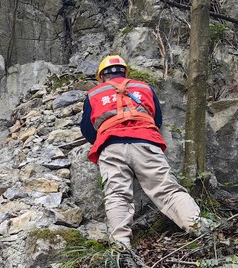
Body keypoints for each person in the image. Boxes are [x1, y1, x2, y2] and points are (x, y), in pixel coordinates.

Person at [80, 55, 208, 248]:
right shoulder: (144, 88)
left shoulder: (94, 93)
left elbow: (87, 130)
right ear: (125, 72)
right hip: (145, 141)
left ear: (102, 76)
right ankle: (198, 226)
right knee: (167, 190)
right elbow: (157, 119)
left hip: (111, 145)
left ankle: (121, 245)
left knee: (117, 194)